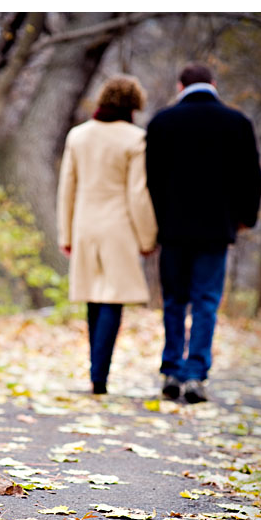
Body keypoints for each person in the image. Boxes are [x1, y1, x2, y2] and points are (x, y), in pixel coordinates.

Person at [146, 62, 261, 403]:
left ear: (180, 86)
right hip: (216, 229)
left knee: (174, 301)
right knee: (206, 303)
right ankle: (196, 374)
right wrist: (246, 218)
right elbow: (253, 179)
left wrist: (158, 221)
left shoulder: (162, 122)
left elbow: (151, 181)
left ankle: (171, 369)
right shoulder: (237, 122)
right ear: (213, 84)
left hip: (173, 230)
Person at [57, 74, 158, 395]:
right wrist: (147, 238)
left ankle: (95, 371)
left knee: (92, 297)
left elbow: (66, 189)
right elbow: (138, 194)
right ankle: (100, 375)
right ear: (134, 105)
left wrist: (66, 233)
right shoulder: (135, 139)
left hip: (85, 225)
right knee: (112, 298)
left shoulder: (79, 136)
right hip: (120, 227)